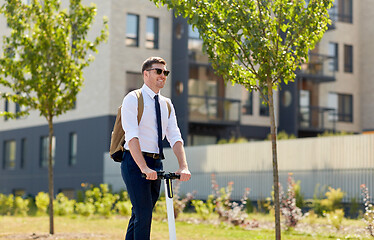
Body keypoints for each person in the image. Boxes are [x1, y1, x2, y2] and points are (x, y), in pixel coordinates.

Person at [120, 56, 191, 240]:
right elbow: (132, 135)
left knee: (139, 213)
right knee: (144, 214)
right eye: (158, 71)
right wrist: (143, 167)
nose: (163, 75)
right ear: (146, 74)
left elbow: (174, 136)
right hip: (135, 162)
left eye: (165, 72)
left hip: (156, 162)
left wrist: (183, 165)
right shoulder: (133, 99)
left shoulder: (166, 103)